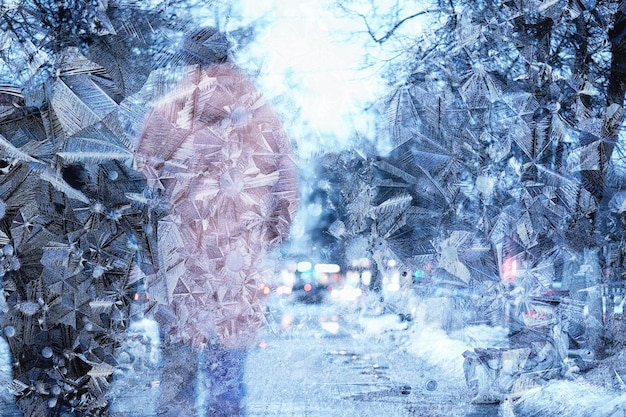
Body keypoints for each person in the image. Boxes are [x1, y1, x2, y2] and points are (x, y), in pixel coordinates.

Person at [133, 28, 299, 416]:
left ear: (188, 60)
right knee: (229, 349)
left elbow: (141, 175)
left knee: (180, 351)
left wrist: (161, 218)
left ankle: (177, 411)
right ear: (228, 57)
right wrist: (272, 226)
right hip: (237, 252)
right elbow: (286, 177)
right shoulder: (262, 113)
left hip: (182, 250)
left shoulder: (170, 109)